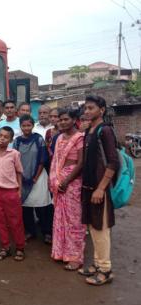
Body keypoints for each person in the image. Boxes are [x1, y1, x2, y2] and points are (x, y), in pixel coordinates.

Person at [80, 95, 119, 286]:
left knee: (101, 229)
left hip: (98, 189)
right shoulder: (89, 131)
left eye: (91, 108)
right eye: (85, 108)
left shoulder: (105, 131)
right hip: (88, 187)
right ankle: (97, 264)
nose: (87, 111)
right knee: (93, 228)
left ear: (101, 110)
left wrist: (101, 189)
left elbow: (113, 162)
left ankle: (105, 270)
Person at [49, 107, 86, 271]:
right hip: (59, 181)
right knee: (60, 219)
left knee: (74, 221)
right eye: (60, 119)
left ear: (74, 120)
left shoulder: (79, 138)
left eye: (66, 119)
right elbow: (56, 161)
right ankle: (61, 252)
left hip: (73, 183)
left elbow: (81, 163)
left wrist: (67, 180)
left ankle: (75, 257)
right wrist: (57, 180)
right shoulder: (59, 138)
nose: (62, 122)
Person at [13, 115, 53, 244]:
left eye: (28, 125)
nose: (26, 128)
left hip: (38, 177)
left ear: (32, 125)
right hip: (22, 178)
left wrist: (35, 177)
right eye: (23, 126)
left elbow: (42, 159)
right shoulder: (17, 141)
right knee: (26, 207)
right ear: (20, 126)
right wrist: (20, 177)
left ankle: (47, 232)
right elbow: (14, 160)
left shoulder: (38, 139)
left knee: (42, 206)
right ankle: (30, 231)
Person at [0, 126, 25, 261]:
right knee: (0, 221)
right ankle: (5, 247)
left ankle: (20, 247)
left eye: (6, 137)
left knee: (15, 221)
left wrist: (19, 190)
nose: (2, 139)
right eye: (0, 136)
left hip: (11, 191)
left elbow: (19, 172)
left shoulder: (14, 154)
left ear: (11, 140)